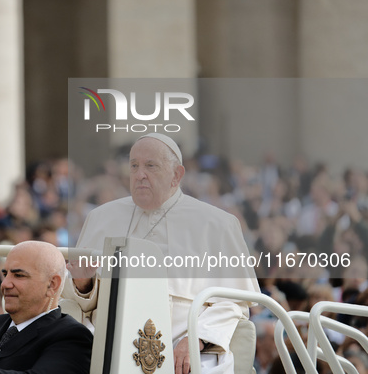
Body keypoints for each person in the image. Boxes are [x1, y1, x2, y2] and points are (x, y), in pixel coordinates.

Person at [64, 133, 260, 374]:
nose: (139, 174)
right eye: (134, 166)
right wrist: (83, 285)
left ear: (177, 175)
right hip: (106, 342)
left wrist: (195, 339)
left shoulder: (217, 224)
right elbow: (76, 299)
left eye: (150, 166)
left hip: (183, 347)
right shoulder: (100, 218)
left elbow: (233, 302)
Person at [0, 240, 93, 374]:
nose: (5, 284)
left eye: (19, 275)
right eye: (5, 274)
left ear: (52, 284)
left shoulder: (72, 336)